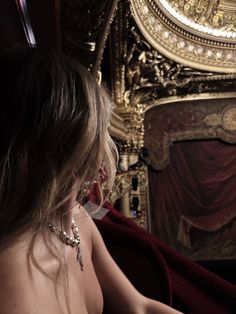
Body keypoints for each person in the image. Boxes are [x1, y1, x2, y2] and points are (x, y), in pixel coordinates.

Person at [0, 46, 182, 314]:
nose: (107, 152)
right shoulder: (17, 290)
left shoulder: (77, 220)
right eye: (100, 134)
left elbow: (139, 307)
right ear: (67, 146)